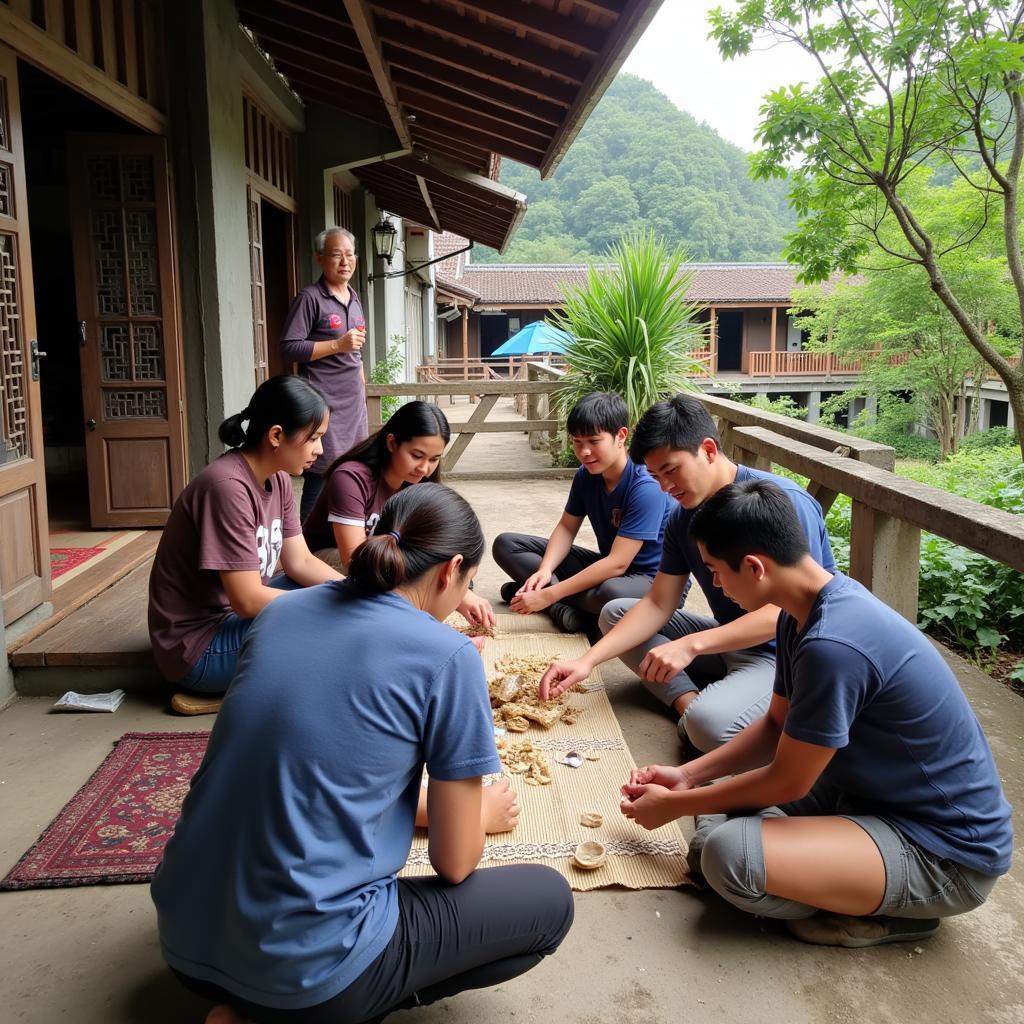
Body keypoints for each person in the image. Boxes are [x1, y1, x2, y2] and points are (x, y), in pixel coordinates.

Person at [151, 483, 574, 1023]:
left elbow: (308, 762)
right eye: (469, 584)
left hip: (184, 939)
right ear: (452, 571)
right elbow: (454, 862)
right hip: (308, 970)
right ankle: (298, 1012)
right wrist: (482, 814)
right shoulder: (449, 657)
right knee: (549, 902)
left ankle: (251, 1003)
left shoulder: (281, 613)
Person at [619, 478, 1013, 948]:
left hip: (941, 851)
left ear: (754, 566)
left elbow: (789, 781)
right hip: (861, 796)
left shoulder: (833, 644)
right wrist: (687, 778)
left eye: (716, 572)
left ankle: (899, 913)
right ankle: (828, 873)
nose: (716, 585)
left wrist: (675, 806)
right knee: (714, 819)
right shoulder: (798, 612)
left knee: (727, 857)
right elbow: (773, 725)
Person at [539, 394, 835, 753]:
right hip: (727, 640)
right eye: (655, 476)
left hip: (785, 654)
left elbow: (794, 611)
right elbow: (659, 602)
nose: (665, 487)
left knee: (707, 727)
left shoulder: (779, 502)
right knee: (615, 614)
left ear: (708, 449)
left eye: (671, 470)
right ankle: (689, 702)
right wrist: (585, 662)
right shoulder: (683, 516)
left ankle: (725, 714)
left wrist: (690, 645)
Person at [147, 376, 342, 708]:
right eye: (314, 438)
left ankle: (256, 689)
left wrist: (359, 592)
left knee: (337, 593)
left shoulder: (278, 479)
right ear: (276, 436)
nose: (320, 449)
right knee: (332, 619)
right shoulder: (227, 487)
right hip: (201, 648)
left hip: (234, 625)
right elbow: (248, 601)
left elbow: (300, 563)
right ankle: (253, 692)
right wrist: (335, 604)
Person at [302, 400, 495, 631]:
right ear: (392, 443)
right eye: (417, 455)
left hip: (385, 561)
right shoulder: (351, 478)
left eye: (434, 459)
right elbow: (353, 559)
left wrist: (460, 589)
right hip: (331, 560)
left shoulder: (419, 484)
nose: (424, 468)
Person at [492, 392, 673, 634]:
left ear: (621, 436)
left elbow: (618, 564)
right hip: (607, 567)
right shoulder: (586, 475)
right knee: (507, 544)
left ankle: (548, 602)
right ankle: (566, 610)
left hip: (650, 581)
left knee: (611, 594)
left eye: (594, 441)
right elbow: (567, 528)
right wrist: (545, 571)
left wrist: (549, 594)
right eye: (577, 442)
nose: (584, 451)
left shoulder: (645, 485)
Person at [280, 226, 368, 521]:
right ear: (319, 259)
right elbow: (290, 347)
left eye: (349, 254)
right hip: (323, 404)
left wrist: (361, 381)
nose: (345, 261)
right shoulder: (310, 298)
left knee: (353, 470)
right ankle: (305, 542)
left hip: (354, 405)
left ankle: (344, 532)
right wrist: (337, 344)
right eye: (336, 255)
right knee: (320, 472)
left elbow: (355, 351)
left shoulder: (355, 298)